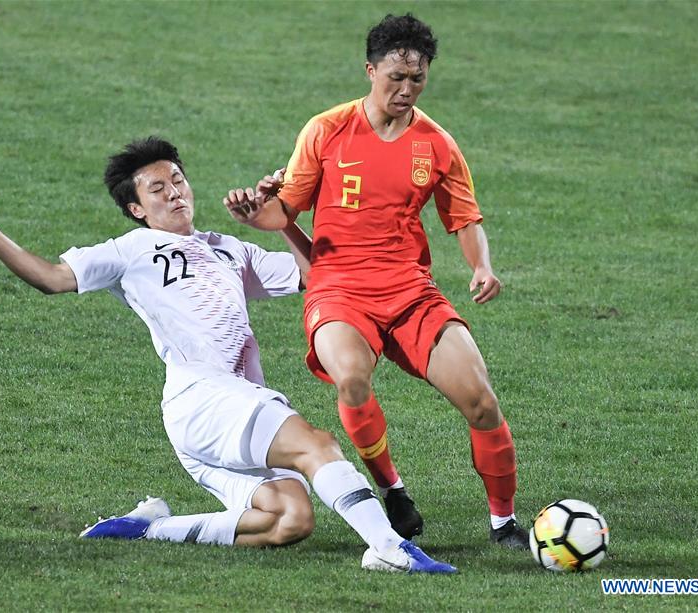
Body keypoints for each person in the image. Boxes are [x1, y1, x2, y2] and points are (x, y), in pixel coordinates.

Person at [0, 136, 455, 573]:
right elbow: (53, 279)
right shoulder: (131, 250)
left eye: (178, 180)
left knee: (290, 520)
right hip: (201, 396)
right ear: (136, 208)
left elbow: (316, 274)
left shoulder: (229, 249)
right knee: (317, 443)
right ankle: (389, 548)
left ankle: (147, 528)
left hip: (224, 407)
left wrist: (279, 218)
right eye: (157, 189)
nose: (174, 192)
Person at [224, 13, 527, 548]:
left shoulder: (436, 145)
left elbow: (465, 218)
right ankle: (393, 490)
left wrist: (481, 265)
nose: (406, 90)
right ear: (370, 70)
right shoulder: (326, 130)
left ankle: (503, 522)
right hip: (337, 287)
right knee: (351, 379)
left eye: (417, 80)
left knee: (481, 402)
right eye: (396, 78)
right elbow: (285, 210)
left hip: (411, 291)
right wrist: (256, 213)